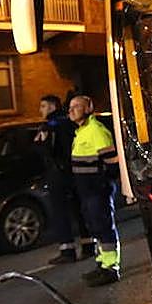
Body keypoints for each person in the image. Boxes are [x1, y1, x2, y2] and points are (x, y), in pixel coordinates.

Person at [67, 94, 121, 286]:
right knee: (95, 228)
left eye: (76, 106)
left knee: (104, 227)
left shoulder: (96, 131)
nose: (71, 110)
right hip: (87, 191)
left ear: (88, 108)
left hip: (97, 190)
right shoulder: (82, 131)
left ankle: (111, 268)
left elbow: (113, 163)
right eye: (70, 107)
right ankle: (102, 263)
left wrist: (102, 183)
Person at [34, 95, 95, 264]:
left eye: (43, 106)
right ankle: (89, 244)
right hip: (76, 173)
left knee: (60, 212)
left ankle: (67, 249)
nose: (41, 110)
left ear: (52, 107)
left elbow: (45, 151)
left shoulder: (49, 127)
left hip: (58, 175)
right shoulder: (71, 122)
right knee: (79, 210)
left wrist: (40, 143)